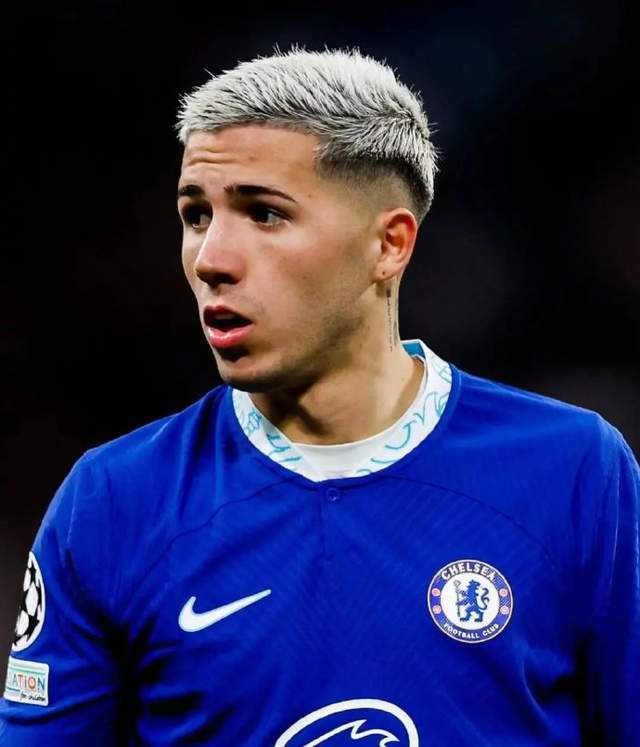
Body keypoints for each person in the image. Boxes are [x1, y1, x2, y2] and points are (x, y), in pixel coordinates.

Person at [1, 47, 638, 746]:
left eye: (264, 213)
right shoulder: (113, 499)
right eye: (196, 214)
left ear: (389, 245)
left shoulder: (575, 470)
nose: (211, 258)